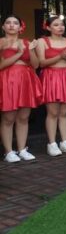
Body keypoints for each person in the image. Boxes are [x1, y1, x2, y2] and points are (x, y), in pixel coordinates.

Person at [36, 15, 66, 156]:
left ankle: (65, 141)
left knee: (64, 112)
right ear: (48, 27)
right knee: (53, 112)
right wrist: (59, 57)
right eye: (56, 25)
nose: (60, 27)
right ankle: (52, 143)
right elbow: (41, 63)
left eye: (61, 24)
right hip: (51, 77)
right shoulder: (42, 41)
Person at [0, 15, 42, 162]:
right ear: (3, 27)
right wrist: (18, 53)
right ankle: (8, 151)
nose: (11, 25)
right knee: (8, 118)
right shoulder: (1, 42)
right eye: (8, 23)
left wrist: (30, 50)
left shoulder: (27, 42)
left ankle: (22, 149)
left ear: (20, 27)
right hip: (8, 80)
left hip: (25, 80)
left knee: (23, 118)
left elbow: (36, 65)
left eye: (15, 23)